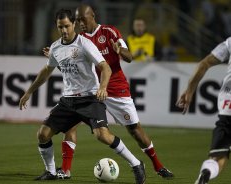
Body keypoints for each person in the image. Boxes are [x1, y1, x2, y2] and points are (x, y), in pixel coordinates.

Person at [43, 4, 173, 180]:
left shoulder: (109, 32)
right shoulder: (77, 39)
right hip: (90, 92)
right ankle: (65, 170)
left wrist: (121, 51)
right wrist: (56, 58)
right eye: (78, 20)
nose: (80, 22)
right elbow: (71, 69)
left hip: (115, 89)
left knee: (135, 131)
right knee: (70, 126)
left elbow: (129, 57)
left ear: (93, 16)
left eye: (83, 19)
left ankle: (158, 166)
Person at [20, 9, 146, 184]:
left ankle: (136, 164)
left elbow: (106, 67)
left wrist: (102, 87)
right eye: (60, 27)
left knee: (102, 135)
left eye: (66, 26)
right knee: (43, 134)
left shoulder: (84, 44)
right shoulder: (56, 47)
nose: (64, 30)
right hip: (69, 101)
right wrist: (28, 92)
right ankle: (50, 171)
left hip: (89, 98)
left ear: (73, 24)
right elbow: (46, 72)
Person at [176, 37, 231, 184]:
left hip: (228, 106)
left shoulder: (230, 42)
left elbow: (204, 63)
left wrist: (189, 90)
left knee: (219, 156)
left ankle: (206, 173)